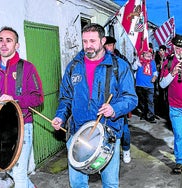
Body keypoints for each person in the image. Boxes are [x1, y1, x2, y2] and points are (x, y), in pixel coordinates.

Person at [51, 23, 138, 188]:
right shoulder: (73, 67)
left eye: (92, 41)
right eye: (85, 41)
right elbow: (66, 98)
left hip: (108, 134)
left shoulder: (119, 66)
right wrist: (60, 116)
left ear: (103, 40)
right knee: (77, 184)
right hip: (78, 133)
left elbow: (131, 98)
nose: (88, 46)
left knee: (110, 183)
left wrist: (114, 109)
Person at [0, 26, 44, 187]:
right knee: (10, 170)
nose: (4, 44)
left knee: (20, 174)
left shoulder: (28, 68)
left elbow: (38, 98)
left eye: (9, 40)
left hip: (23, 126)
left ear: (17, 45)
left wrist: (15, 99)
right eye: (1, 40)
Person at [159, 34, 182, 174]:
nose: (180, 51)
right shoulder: (169, 61)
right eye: (178, 48)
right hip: (175, 106)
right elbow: (162, 84)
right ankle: (180, 161)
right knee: (179, 134)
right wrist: (173, 73)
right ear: (174, 47)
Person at [104, 36, 132, 163]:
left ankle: (126, 149)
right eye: (106, 45)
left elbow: (129, 81)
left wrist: (125, 102)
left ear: (114, 46)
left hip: (119, 101)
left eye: (110, 45)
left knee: (124, 129)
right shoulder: (101, 60)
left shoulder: (122, 60)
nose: (107, 48)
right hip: (104, 102)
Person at [135, 49, 158, 123]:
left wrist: (154, 77)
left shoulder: (152, 62)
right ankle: (144, 114)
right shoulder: (139, 61)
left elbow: (155, 72)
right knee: (142, 101)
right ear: (143, 54)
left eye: (150, 54)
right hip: (140, 84)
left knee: (150, 101)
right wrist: (138, 60)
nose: (149, 55)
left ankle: (151, 115)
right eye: (147, 54)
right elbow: (134, 68)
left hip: (149, 85)